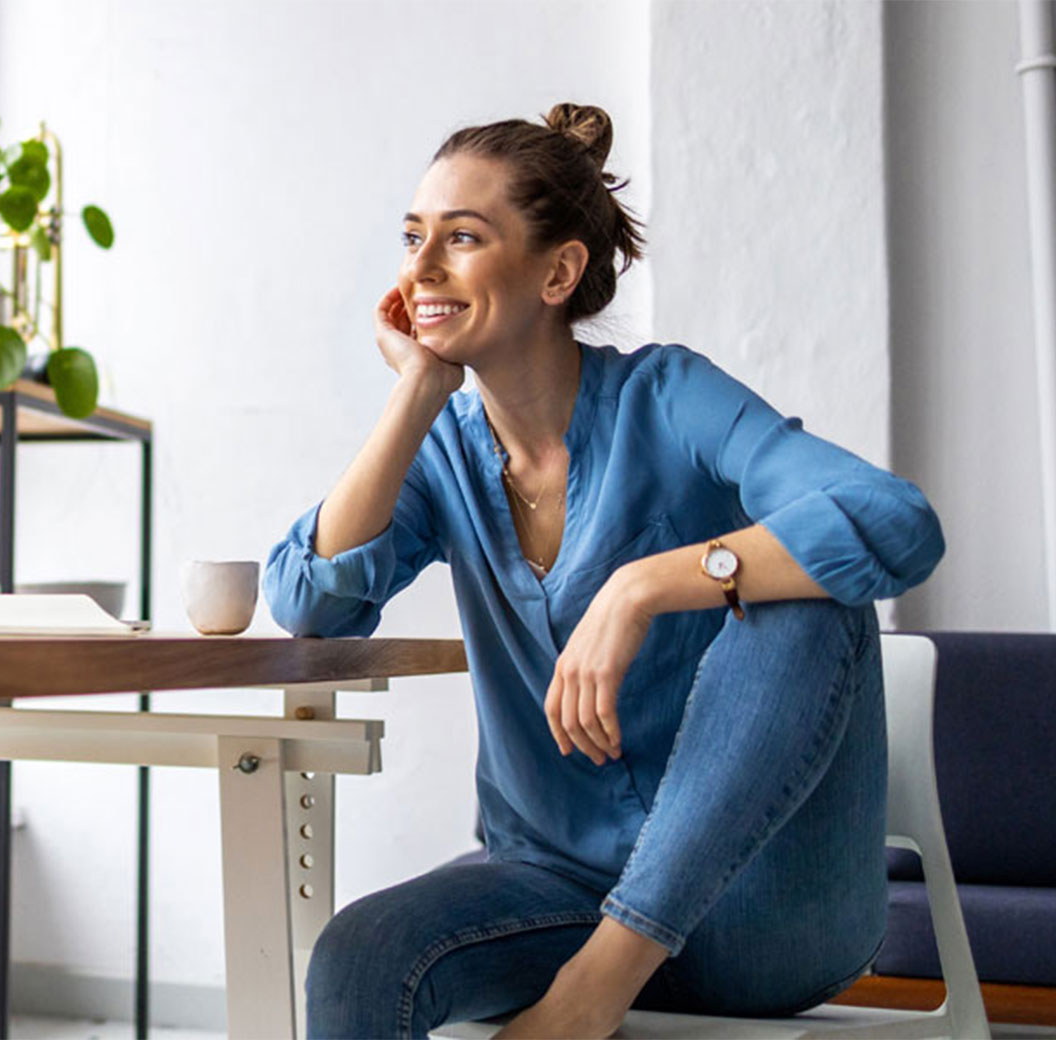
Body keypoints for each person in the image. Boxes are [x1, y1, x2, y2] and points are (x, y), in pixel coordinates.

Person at [261, 103, 945, 1040]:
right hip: (555, 891)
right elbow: (309, 604)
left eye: (460, 238)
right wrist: (416, 391)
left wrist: (646, 584)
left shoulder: (669, 399)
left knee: (810, 596)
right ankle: (596, 965)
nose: (420, 270)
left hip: (758, 911)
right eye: (414, 237)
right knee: (360, 958)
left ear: (559, 270)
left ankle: (598, 990)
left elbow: (896, 521)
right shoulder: (446, 453)